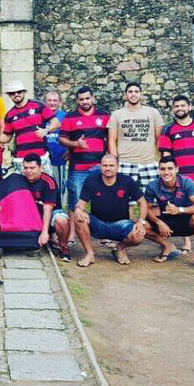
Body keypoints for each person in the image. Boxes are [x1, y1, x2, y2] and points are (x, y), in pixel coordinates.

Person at [158, 95, 194, 256]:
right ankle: (187, 242)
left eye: (183, 105)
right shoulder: (168, 129)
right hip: (180, 180)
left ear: (190, 107)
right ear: (173, 109)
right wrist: (168, 176)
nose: (180, 108)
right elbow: (166, 154)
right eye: (176, 106)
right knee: (182, 210)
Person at [73, 154, 148, 267]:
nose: (108, 168)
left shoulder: (127, 181)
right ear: (100, 166)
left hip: (121, 225)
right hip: (98, 224)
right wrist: (78, 209)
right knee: (78, 217)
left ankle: (120, 248)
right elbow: (81, 203)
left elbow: (142, 202)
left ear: (118, 167)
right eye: (105, 165)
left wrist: (141, 221)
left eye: (111, 165)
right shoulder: (91, 180)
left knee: (139, 236)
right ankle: (89, 253)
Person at [59, 86, 110, 249]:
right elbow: (61, 138)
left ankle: (103, 234)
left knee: (101, 201)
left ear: (92, 98)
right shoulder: (70, 117)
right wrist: (75, 144)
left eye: (87, 98)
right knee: (74, 201)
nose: (85, 101)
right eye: (81, 99)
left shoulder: (104, 115)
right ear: (77, 101)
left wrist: (110, 159)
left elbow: (110, 138)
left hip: (99, 167)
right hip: (78, 168)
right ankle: (72, 234)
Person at [144, 156, 194, 271]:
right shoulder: (152, 185)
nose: (166, 172)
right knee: (141, 225)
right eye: (163, 169)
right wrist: (159, 222)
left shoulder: (186, 182)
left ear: (177, 169)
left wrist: (180, 210)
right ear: (159, 170)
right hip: (165, 222)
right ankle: (167, 246)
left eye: (170, 168)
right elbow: (146, 209)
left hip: (185, 220)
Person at [107, 81, 164, 196]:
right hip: (125, 163)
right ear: (125, 95)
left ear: (141, 95)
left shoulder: (153, 113)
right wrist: (115, 161)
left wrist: (159, 159)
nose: (133, 94)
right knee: (124, 199)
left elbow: (160, 138)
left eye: (136, 92)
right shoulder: (117, 115)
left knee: (152, 199)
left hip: (148, 163)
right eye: (130, 92)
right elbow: (112, 140)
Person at [0, 81, 60, 173]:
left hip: (41, 156)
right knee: (22, 183)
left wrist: (46, 130)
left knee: (45, 181)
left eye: (19, 92)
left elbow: (56, 123)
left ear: (24, 92)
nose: (16, 94)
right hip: (21, 159)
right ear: (9, 95)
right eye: (12, 93)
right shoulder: (9, 115)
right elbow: (7, 137)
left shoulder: (39, 105)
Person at [21, 153, 71, 260]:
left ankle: (63, 246)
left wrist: (44, 233)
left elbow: (48, 209)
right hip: (31, 214)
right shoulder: (21, 180)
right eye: (26, 168)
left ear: (40, 167)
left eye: (32, 168)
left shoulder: (49, 182)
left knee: (61, 220)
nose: (28, 171)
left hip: (49, 212)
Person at [44, 90, 68, 201]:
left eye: (55, 100)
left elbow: (71, 134)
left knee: (59, 186)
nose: (52, 103)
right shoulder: (40, 116)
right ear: (45, 102)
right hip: (43, 158)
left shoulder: (64, 116)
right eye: (49, 100)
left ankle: (60, 207)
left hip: (59, 158)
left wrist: (69, 150)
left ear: (59, 102)